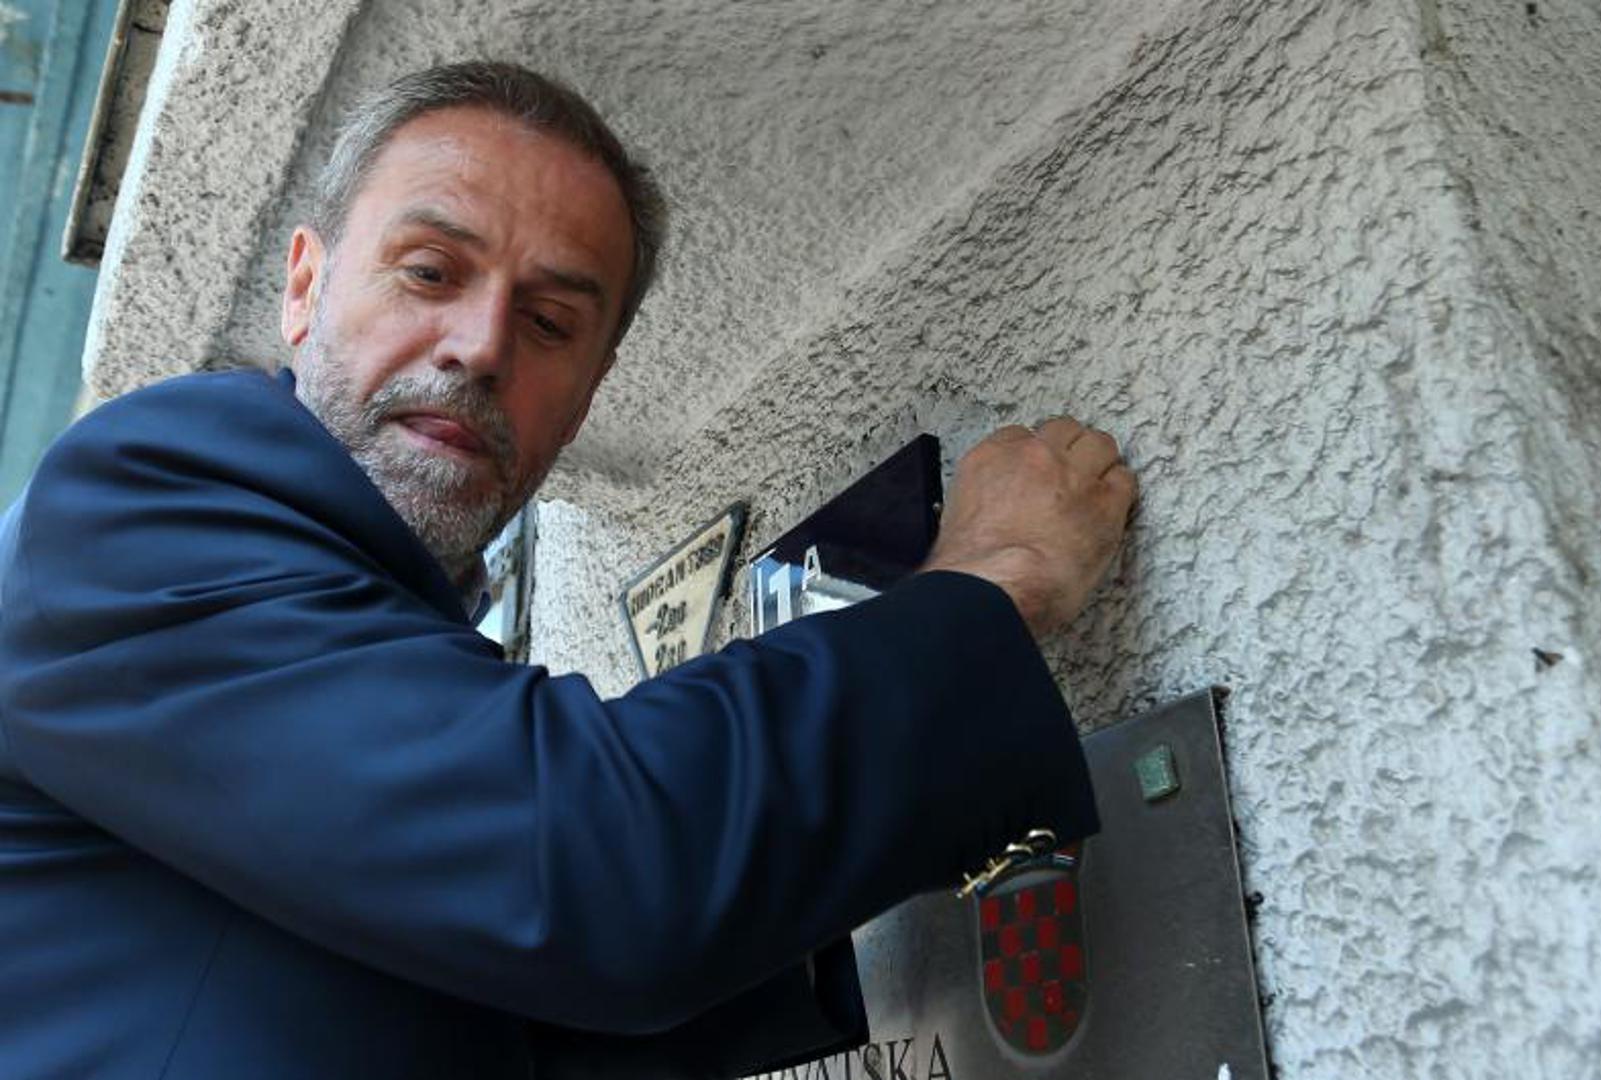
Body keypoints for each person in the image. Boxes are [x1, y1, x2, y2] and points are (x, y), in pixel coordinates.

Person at [0, 62, 1137, 1078]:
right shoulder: (138, 502)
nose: (481, 346)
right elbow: (598, 875)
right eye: (429, 271)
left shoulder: (378, 647)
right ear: (303, 287)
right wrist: (993, 582)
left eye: (549, 324)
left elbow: (523, 1003)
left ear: (589, 393)